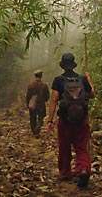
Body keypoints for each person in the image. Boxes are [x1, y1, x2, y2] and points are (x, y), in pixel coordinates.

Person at [47, 53, 95, 187]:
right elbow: (92, 94)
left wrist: (50, 120)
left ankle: (65, 172)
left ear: (62, 65)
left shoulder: (58, 80)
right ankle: (83, 169)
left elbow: (53, 100)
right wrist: (89, 79)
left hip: (65, 120)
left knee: (64, 146)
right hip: (82, 119)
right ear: (73, 64)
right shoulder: (81, 79)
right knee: (81, 147)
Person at [26, 70, 50, 137]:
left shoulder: (30, 85)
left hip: (32, 104)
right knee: (40, 118)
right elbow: (47, 95)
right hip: (41, 104)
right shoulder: (44, 85)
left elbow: (28, 96)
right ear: (41, 76)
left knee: (32, 118)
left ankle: (34, 131)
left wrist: (28, 103)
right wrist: (44, 100)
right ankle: (37, 129)